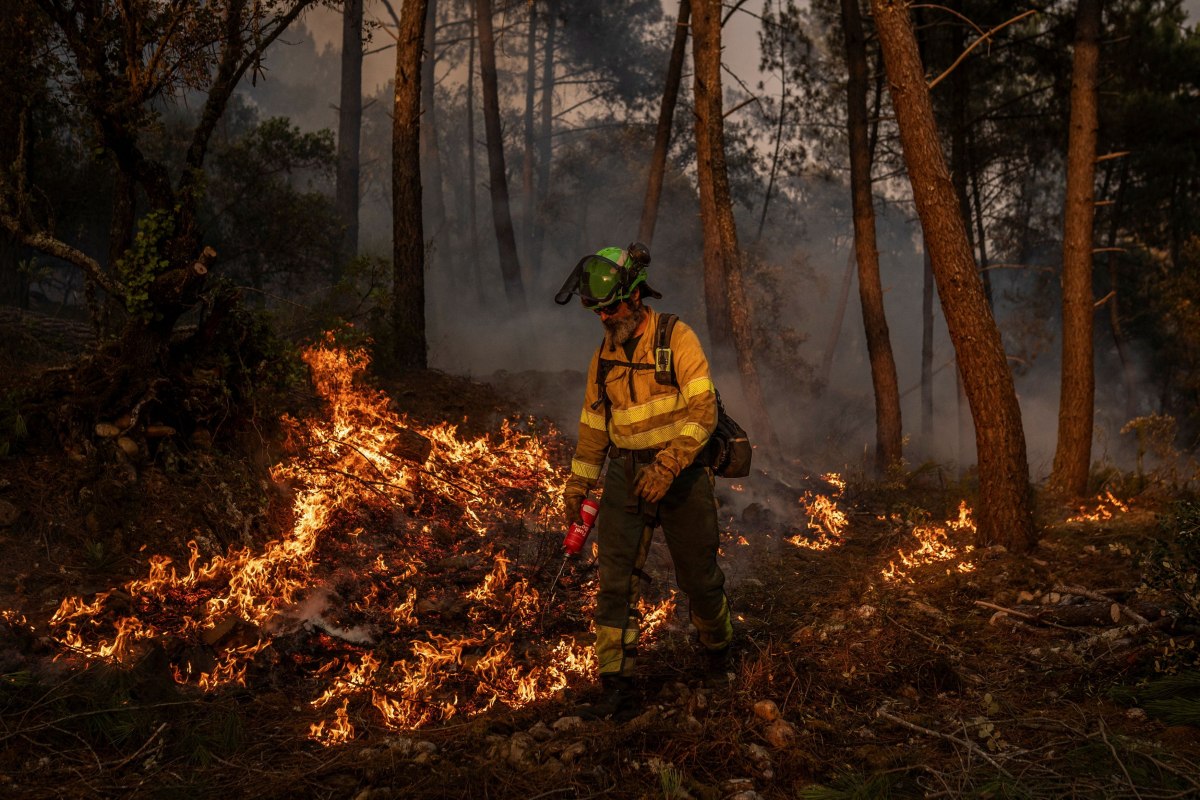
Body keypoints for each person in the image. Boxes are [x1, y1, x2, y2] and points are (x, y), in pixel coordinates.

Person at [554, 243, 734, 716]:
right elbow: (594, 429)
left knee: (698, 577)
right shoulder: (604, 356)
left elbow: (704, 410)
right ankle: (616, 685)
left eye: (609, 306)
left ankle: (720, 648)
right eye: (595, 309)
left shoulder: (677, 338)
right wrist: (578, 485)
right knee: (614, 581)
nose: (603, 317)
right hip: (626, 474)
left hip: (682, 473)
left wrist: (672, 462)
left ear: (635, 296)